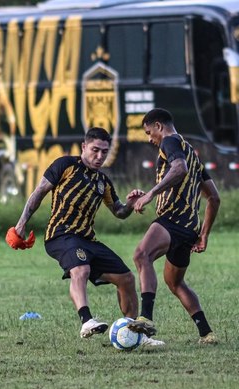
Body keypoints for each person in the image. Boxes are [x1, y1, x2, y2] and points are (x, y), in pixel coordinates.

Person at [10, 127, 162, 345]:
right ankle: (86, 321)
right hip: (60, 235)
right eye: (95, 150)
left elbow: (119, 212)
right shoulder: (65, 165)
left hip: (87, 239)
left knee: (127, 279)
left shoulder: (103, 182)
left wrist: (129, 204)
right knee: (80, 269)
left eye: (104, 152)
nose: (99, 156)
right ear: (84, 147)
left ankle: (133, 334)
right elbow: (39, 192)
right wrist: (21, 223)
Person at [127, 108, 221, 344]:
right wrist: (204, 235)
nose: (150, 139)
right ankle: (206, 333)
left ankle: (145, 317)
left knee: (141, 255)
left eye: (149, 133)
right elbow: (214, 198)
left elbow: (179, 169)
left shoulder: (169, 142)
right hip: (189, 229)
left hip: (172, 219)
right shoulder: (192, 152)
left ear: (159, 126)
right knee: (175, 282)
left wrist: (150, 194)